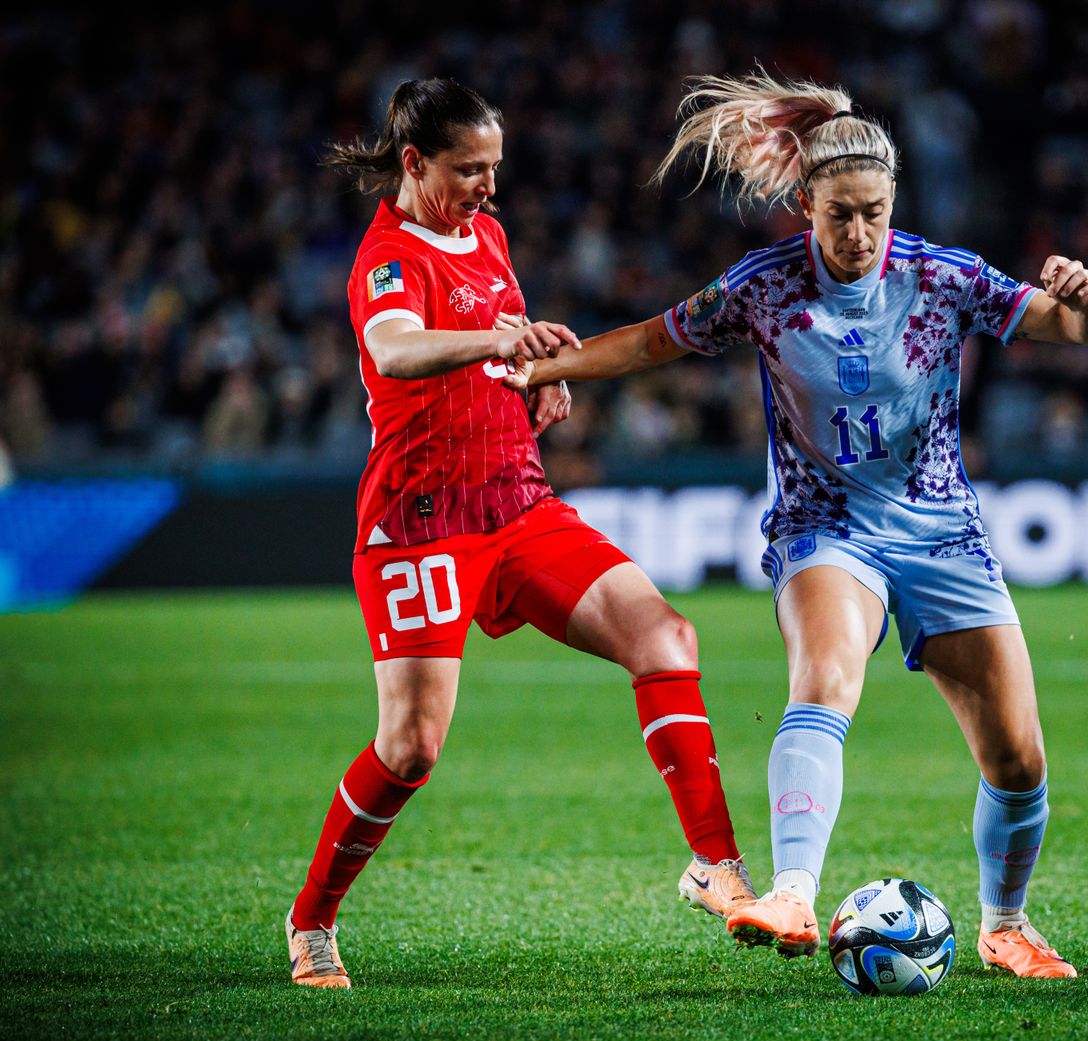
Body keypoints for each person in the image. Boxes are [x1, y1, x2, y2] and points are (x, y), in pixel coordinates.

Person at [505, 72, 1088, 979]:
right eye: (838, 216)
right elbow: (654, 339)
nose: (857, 235)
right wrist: (549, 368)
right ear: (805, 204)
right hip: (825, 527)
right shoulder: (765, 287)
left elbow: (1078, 330)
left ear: (893, 200)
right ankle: (791, 891)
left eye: (872, 212)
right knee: (824, 680)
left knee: (1019, 759)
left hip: (943, 530)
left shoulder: (942, 277)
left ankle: (1005, 925)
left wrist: (1082, 293)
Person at [284, 78, 755, 990]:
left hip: (517, 502)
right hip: (422, 524)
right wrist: (500, 339)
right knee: (410, 746)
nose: (489, 188)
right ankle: (312, 920)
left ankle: (718, 867)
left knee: (665, 635)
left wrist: (536, 376)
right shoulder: (389, 258)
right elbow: (396, 350)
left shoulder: (487, 237)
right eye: (471, 170)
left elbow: (498, 344)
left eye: (496, 168)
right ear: (415, 164)